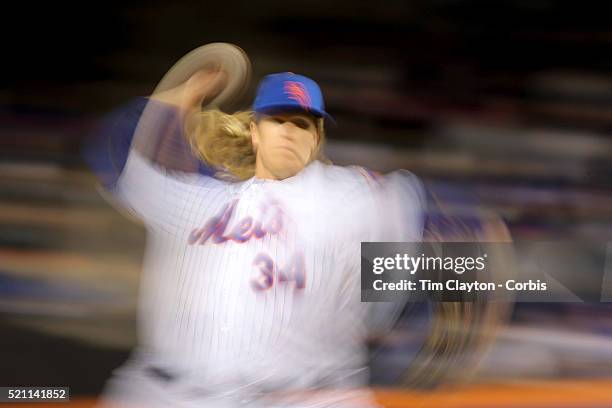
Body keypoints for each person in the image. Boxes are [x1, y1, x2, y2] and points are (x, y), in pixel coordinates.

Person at [84, 43, 425, 407]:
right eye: (278, 120)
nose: (290, 132)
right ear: (254, 131)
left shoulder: (349, 197)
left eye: (302, 124)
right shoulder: (197, 200)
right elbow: (123, 156)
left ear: (316, 138)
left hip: (308, 395)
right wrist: (183, 96)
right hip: (173, 394)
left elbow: (418, 252)